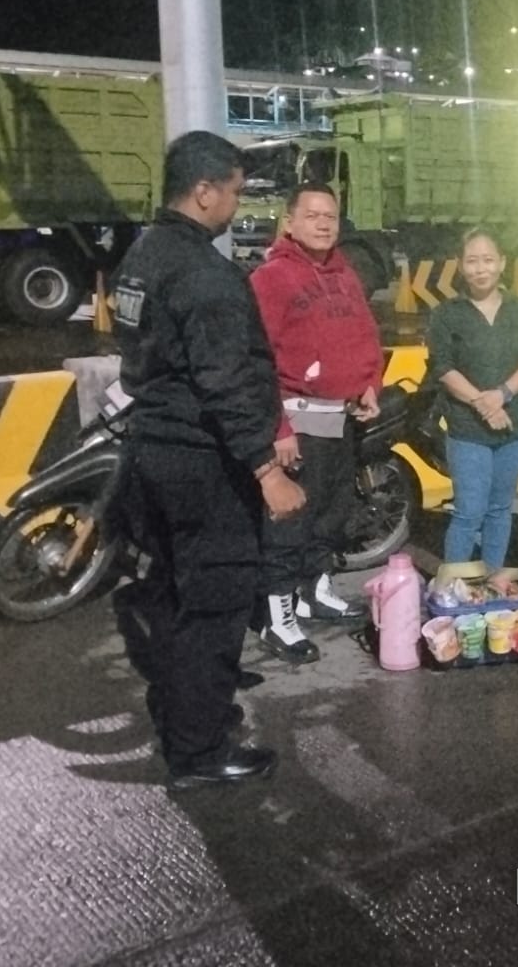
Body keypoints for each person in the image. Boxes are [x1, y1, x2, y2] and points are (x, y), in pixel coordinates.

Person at [110, 131, 305, 790]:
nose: (236, 204)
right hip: (202, 463)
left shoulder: (143, 254)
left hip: (152, 452)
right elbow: (223, 381)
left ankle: (185, 712)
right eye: (234, 191)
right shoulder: (204, 274)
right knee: (216, 604)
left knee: (175, 594)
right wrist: (266, 470)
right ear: (203, 192)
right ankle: (199, 752)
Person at [249, 181, 378, 663]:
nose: (324, 224)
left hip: (340, 420)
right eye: (313, 215)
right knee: (289, 523)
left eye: (331, 216)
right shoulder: (272, 278)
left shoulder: (345, 275)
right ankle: (278, 620)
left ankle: (314, 592)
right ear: (290, 222)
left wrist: (369, 384)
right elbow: (256, 359)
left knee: (330, 514)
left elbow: (365, 336)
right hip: (297, 424)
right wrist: (278, 429)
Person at [427, 228, 518, 568]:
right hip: (467, 429)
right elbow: (443, 367)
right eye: (472, 261)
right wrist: (483, 403)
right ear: (460, 265)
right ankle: (454, 586)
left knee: (499, 509)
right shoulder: (447, 313)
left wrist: (502, 394)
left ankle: (492, 579)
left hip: (515, 426)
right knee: (469, 511)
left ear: (502, 263)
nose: (481, 269)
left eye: (488, 260)